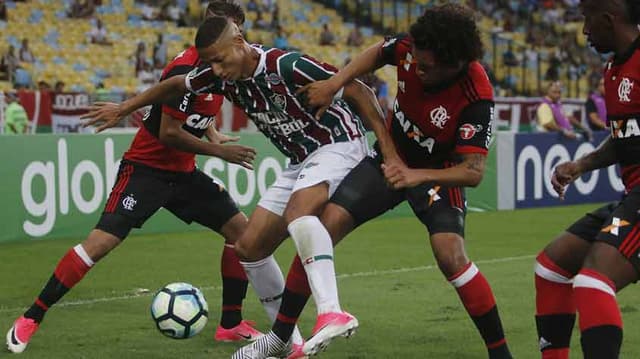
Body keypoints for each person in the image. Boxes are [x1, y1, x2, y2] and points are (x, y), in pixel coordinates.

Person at [81, 14, 391, 359]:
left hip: (338, 142)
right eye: (209, 63)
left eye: (220, 60)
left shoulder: (285, 64)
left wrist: (387, 150)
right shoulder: (221, 78)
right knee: (249, 247)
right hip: (301, 157)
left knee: (298, 212)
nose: (215, 70)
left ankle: (332, 311)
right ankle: (286, 342)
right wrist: (126, 107)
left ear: (240, 43)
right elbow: (175, 85)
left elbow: (359, 89)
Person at [238, 4, 514, 358]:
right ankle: (279, 336)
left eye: (426, 67)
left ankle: (500, 352)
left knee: (451, 255)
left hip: (437, 173)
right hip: (388, 157)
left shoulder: (476, 94)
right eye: (415, 59)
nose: (417, 68)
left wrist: (415, 175)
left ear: (454, 63)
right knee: (325, 225)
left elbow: (473, 171)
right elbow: (376, 53)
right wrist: (336, 82)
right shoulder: (414, 46)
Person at [5, 3, 266, 354]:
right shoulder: (187, 66)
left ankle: (230, 324)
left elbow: (198, 107)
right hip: (146, 171)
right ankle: (31, 317)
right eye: (212, 27)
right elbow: (169, 131)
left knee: (242, 233)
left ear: (238, 34)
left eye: (227, 29)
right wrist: (219, 153)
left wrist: (213, 134)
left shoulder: (225, 69)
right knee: (99, 245)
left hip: (183, 174)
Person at [534, 1, 640, 358]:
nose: (583, 31)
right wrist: (580, 165)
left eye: (586, 20)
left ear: (609, 19)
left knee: (593, 279)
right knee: (551, 266)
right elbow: (626, 138)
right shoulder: (613, 70)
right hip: (632, 194)